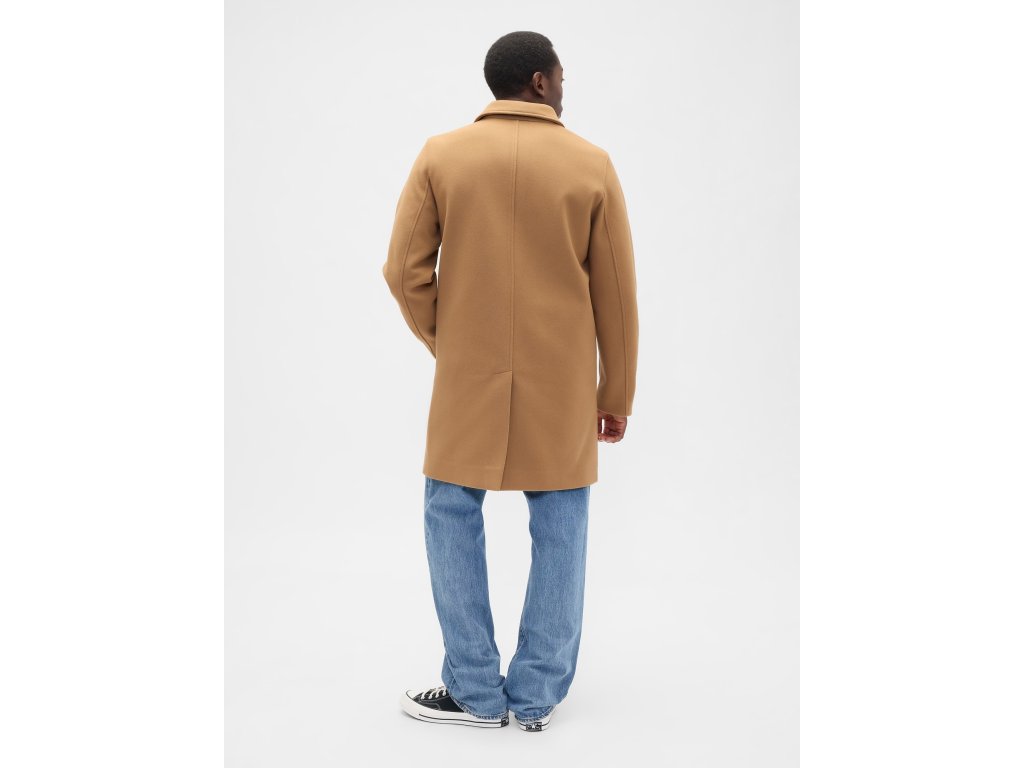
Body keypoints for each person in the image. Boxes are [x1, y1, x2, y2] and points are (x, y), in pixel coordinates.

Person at [383, 30, 639, 731]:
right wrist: (615, 394)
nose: (564, 88)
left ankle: (473, 690)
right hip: (563, 384)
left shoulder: (442, 154)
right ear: (538, 81)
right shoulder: (591, 163)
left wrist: (450, 344)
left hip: (468, 377)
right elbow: (617, 296)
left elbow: (402, 272)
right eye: (561, 78)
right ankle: (536, 696)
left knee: (450, 511)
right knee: (562, 520)